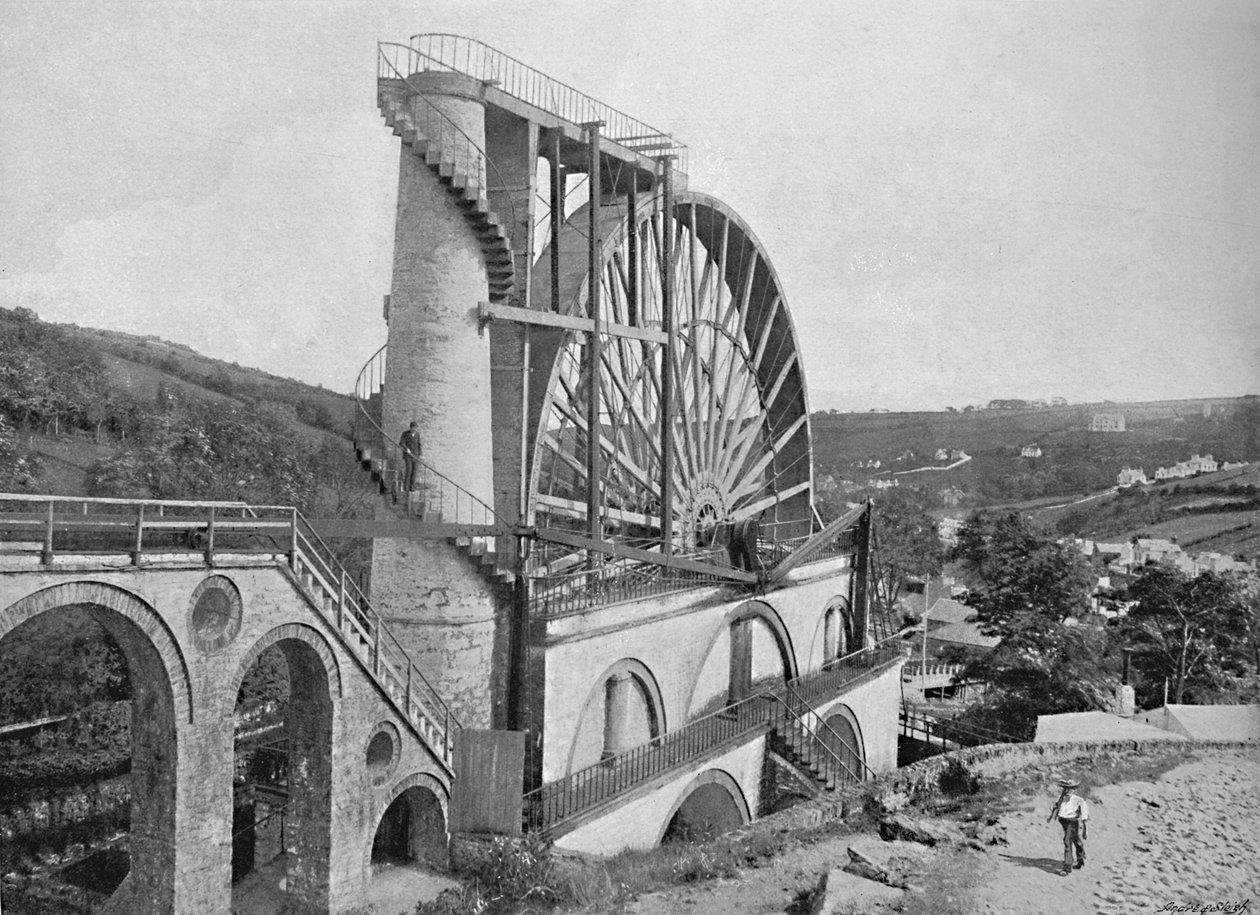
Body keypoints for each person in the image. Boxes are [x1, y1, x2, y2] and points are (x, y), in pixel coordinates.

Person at [1047, 777, 1089, 875]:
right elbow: (1054, 806)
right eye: (1067, 788)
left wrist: (1085, 828)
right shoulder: (1061, 798)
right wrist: (1053, 807)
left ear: (1075, 789)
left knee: (1067, 840)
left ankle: (1067, 866)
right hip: (1063, 821)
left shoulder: (1079, 800)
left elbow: (1084, 814)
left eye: (1072, 788)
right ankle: (1081, 857)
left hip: (1072, 822)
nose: (1069, 790)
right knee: (1074, 839)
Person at [399, 421, 422, 492]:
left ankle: (412, 487)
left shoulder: (417, 434)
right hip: (408, 456)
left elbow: (419, 444)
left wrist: (420, 454)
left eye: (416, 428)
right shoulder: (405, 434)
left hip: (415, 455)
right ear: (410, 428)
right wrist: (406, 449)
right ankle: (406, 487)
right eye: (413, 428)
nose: (414, 430)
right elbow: (401, 443)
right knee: (409, 471)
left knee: (414, 472)